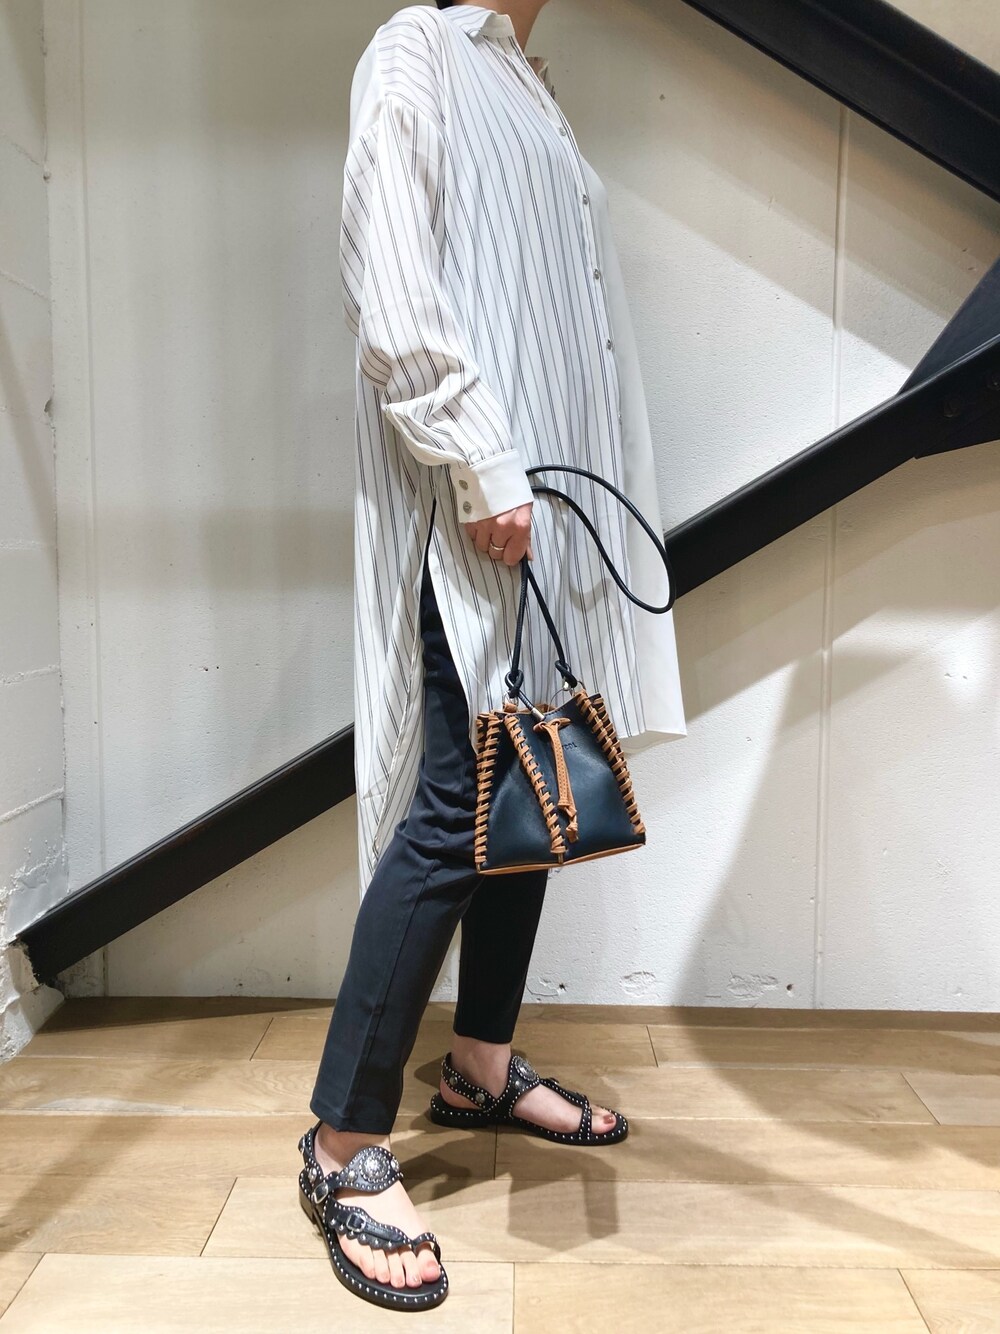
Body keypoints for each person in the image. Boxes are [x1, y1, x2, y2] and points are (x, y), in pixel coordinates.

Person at [297, 0, 686, 1312]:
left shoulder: (529, 84)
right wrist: (475, 456)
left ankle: (477, 1063)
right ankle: (343, 1139)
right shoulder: (419, 48)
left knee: (527, 789)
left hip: (541, 518)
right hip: (480, 506)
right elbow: (392, 277)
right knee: (459, 801)